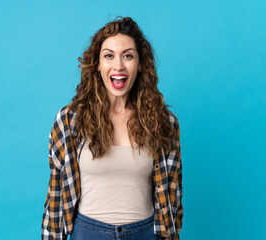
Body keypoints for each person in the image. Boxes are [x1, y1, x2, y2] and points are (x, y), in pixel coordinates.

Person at [41, 16, 183, 240]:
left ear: (140, 63)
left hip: (144, 233)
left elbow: (172, 197)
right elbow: (56, 198)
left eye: (128, 56)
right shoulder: (70, 121)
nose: (118, 65)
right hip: (88, 233)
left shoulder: (164, 122)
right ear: (97, 65)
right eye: (109, 56)